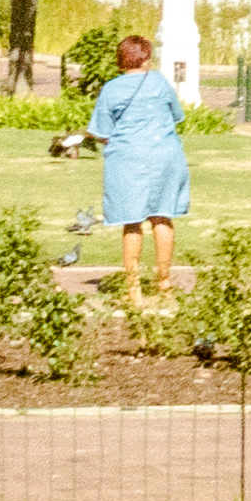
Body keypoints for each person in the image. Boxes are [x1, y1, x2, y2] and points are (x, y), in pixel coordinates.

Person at [79, 29, 194, 300]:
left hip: (128, 159)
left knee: (131, 222)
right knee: (162, 216)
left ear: (121, 61)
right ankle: (164, 284)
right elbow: (177, 116)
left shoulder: (111, 89)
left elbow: (100, 131)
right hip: (166, 155)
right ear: (146, 59)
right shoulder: (160, 83)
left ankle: (134, 288)